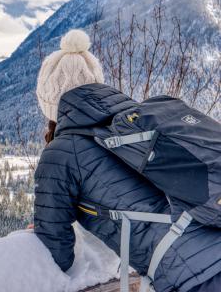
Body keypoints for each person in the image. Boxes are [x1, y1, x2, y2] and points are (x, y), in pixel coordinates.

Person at [33, 29, 221, 292]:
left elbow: (56, 249)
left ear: (50, 101)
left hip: (194, 274)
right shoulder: (141, 126)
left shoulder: (62, 152)